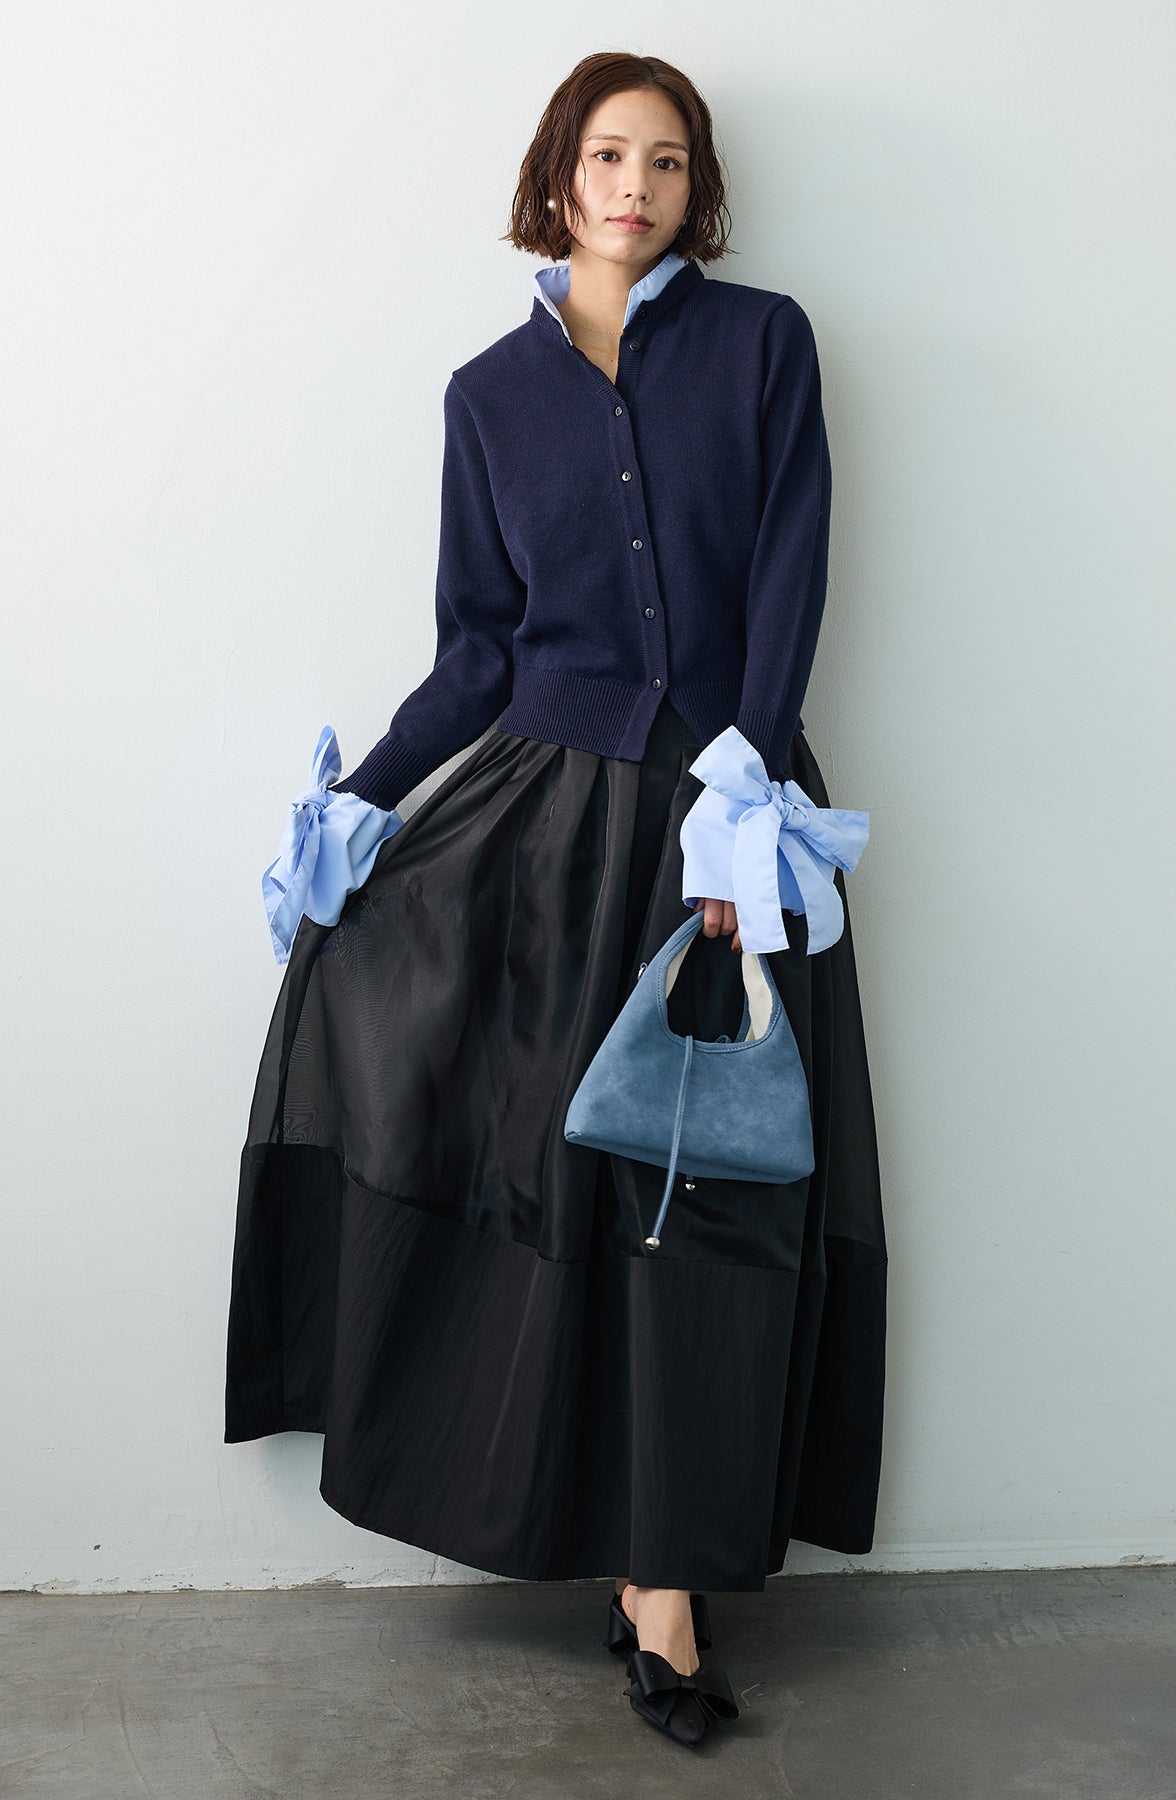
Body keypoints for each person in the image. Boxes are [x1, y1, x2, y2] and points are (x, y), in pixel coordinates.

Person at [227, 50, 888, 1750]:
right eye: (607, 156)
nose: (634, 187)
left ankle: (665, 1581)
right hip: (542, 834)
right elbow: (476, 653)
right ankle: (597, 1538)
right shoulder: (486, 395)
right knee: (559, 1187)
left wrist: (742, 811)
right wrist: (361, 809)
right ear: (557, 175)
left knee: (699, 1205)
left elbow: (791, 582)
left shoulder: (765, 345)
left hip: (720, 832)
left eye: (666, 161)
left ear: (696, 189)